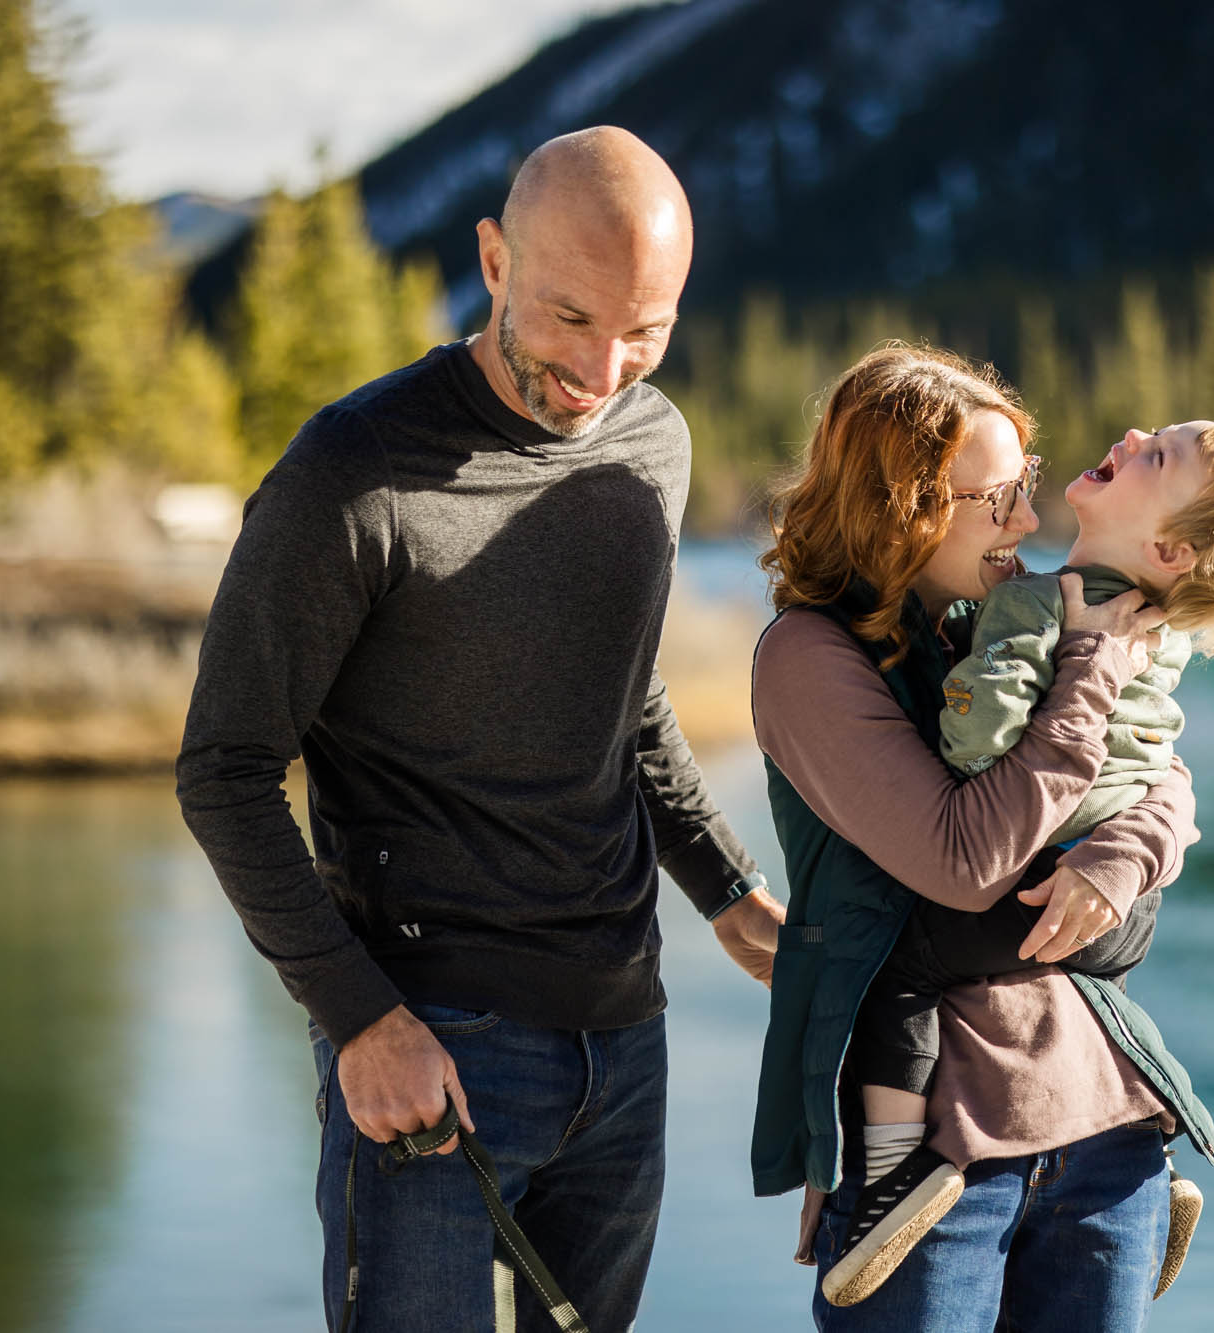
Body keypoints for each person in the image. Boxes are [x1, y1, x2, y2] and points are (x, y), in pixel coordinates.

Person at [176, 126, 784, 1332]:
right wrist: (360, 1020)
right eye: (570, 319)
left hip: (623, 1040)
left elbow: (629, 698)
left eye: (644, 331)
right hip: (430, 1050)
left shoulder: (651, 447)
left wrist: (725, 887)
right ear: (494, 260)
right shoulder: (351, 473)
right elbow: (225, 771)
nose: (604, 367)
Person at [750, 344, 1214, 1331]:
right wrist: (1088, 667)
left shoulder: (999, 612)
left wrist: (1120, 857)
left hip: (1108, 1129)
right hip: (937, 1167)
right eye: (994, 498)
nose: (1027, 521)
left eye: (1027, 489)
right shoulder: (806, 659)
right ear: (900, 505)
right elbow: (966, 864)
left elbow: (1164, 776)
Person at [830, 418, 1214, 1304]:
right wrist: (1134, 845)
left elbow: (978, 739)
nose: (1133, 434)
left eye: (1158, 455)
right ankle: (1152, 1160)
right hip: (1123, 916)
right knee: (1100, 998)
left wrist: (963, 694)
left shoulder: (1040, 605)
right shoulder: (1158, 628)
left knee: (892, 966)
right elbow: (1163, 760)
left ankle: (888, 1177)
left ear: (1169, 545)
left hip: (1036, 880)